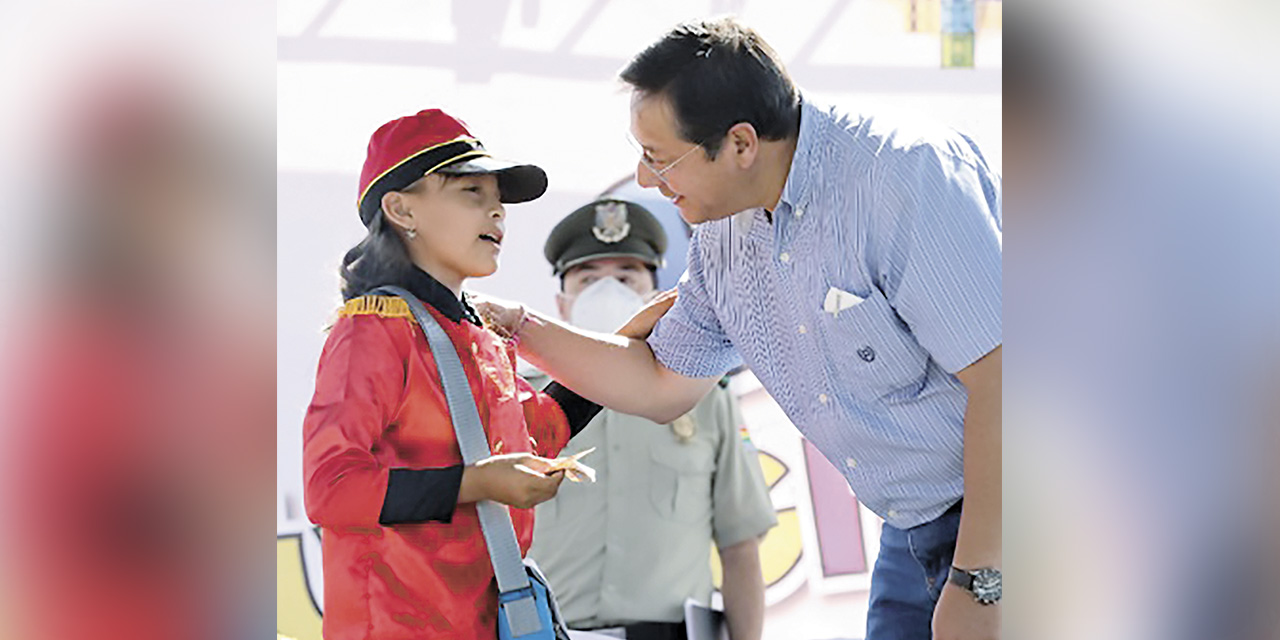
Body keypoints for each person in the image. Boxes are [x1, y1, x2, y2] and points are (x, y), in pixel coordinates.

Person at [476, 18, 1002, 640]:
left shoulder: (904, 178)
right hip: (914, 529)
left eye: (658, 157)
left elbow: (1010, 385)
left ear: (742, 144)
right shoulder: (724, 233)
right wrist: (517, 326)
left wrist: (980, 580)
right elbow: (660, 383)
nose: (646, 179)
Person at [301, 108, 604, 639]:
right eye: (472, 193)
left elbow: (542, 429)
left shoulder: (476, 332)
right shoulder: (372, 329)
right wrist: (478, 483)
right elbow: (331, 488)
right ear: (400, 209)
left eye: (499, 201)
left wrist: (635, 342)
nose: (497, 214)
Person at [527, 198, 776, 640]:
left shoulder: (701, 394)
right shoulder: (517, 399)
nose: (608, 292)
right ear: (561, 304)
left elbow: (740, 547)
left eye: (626, 277)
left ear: (653, 296)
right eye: (588, 278)